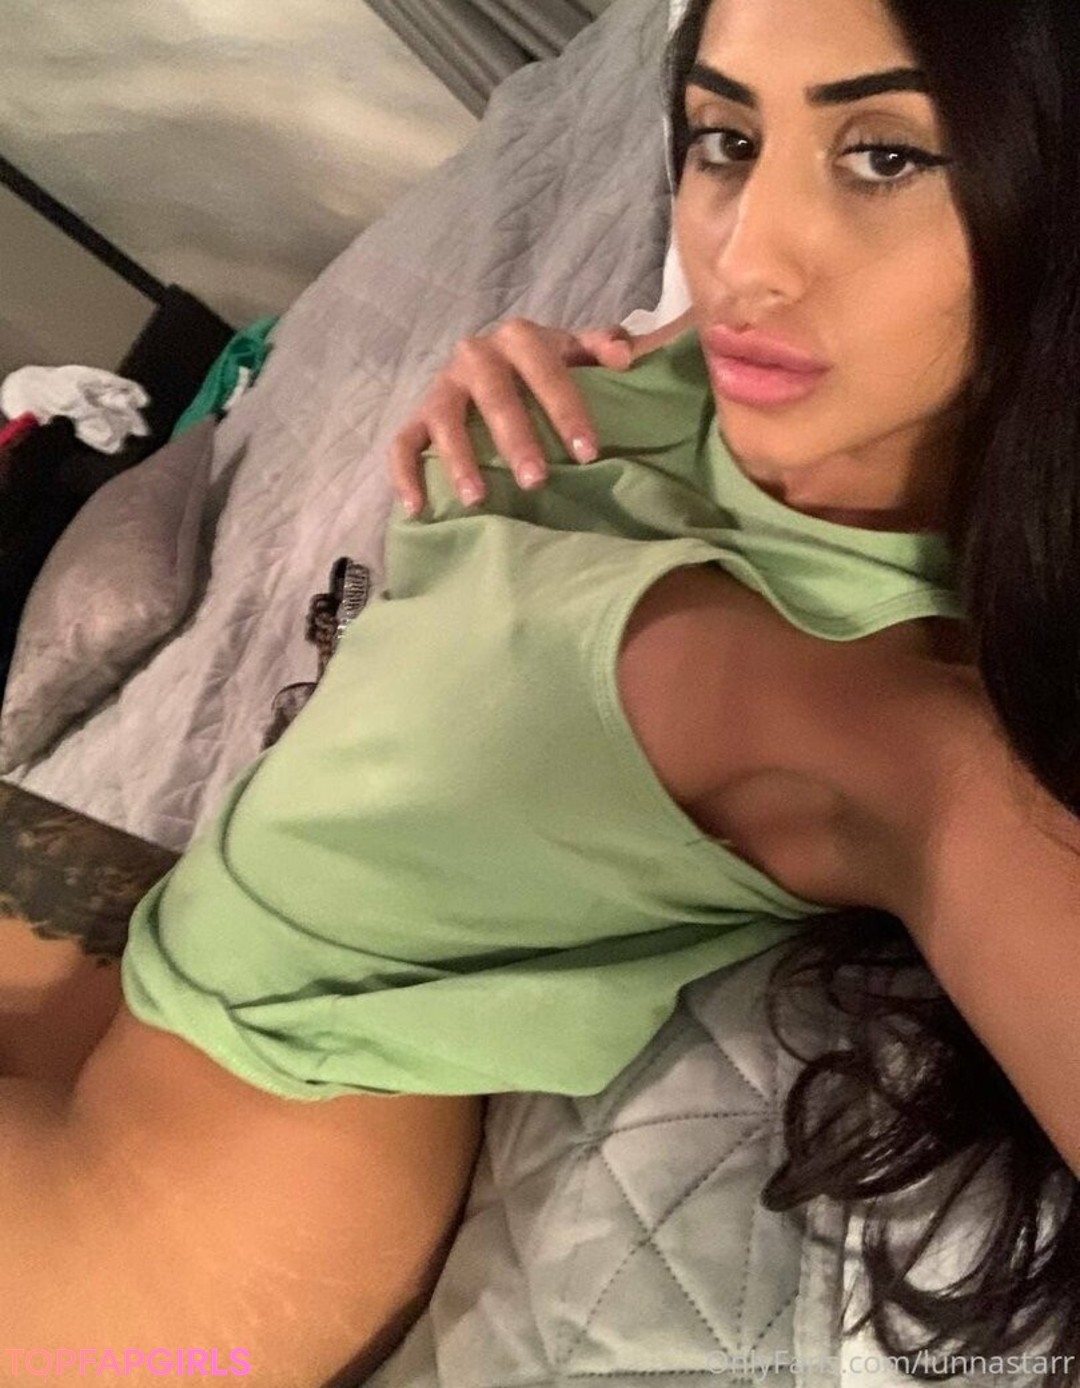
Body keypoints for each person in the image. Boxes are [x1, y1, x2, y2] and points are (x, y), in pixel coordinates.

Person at [1, 1, 1079, 1385]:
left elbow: (976, 826)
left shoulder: (855, 710)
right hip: (158, 960)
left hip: (161, 1262)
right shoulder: (709, 387)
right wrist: (514, 385)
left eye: (885, 157)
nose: (744, 259)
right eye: (727, 140)